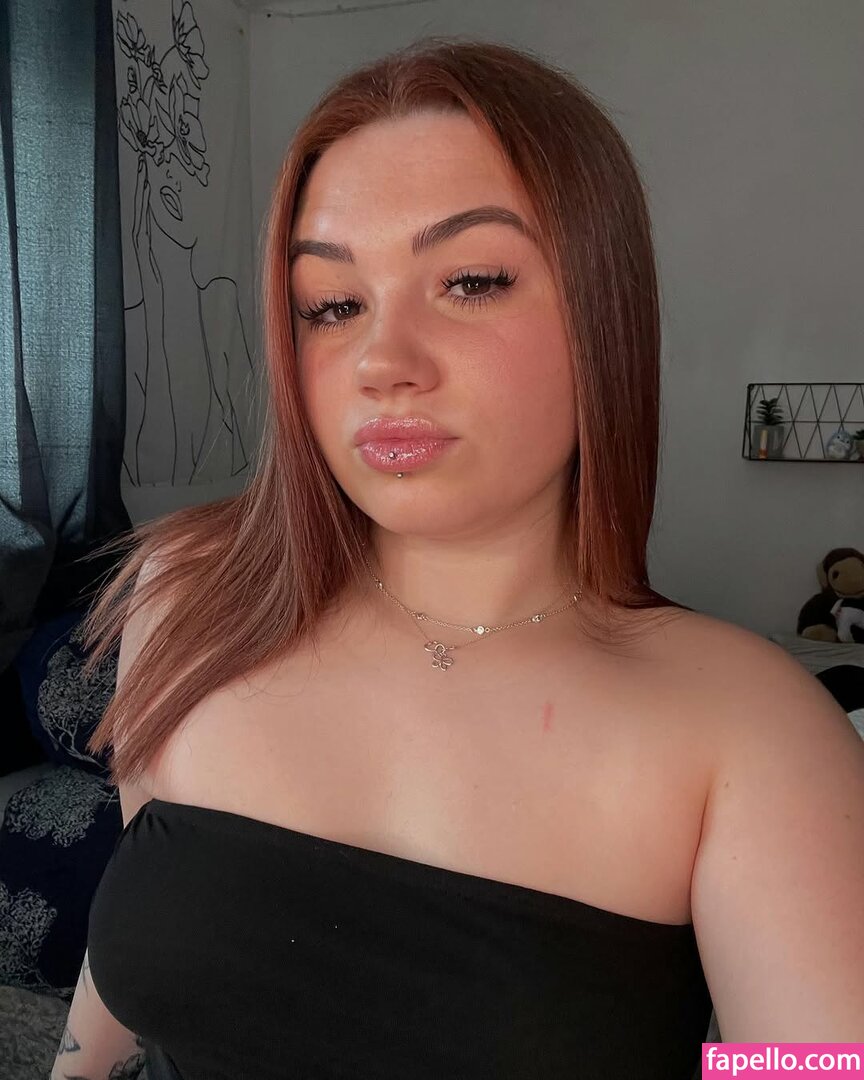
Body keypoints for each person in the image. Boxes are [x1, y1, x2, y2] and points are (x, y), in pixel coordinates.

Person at [52, 36, 864, 1080]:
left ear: (604, 309)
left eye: (472, 282)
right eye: (332, 305)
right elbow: (133, 953)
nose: (382, 362)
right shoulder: (190, 594)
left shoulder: (753, 732)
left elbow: (809, 1063)